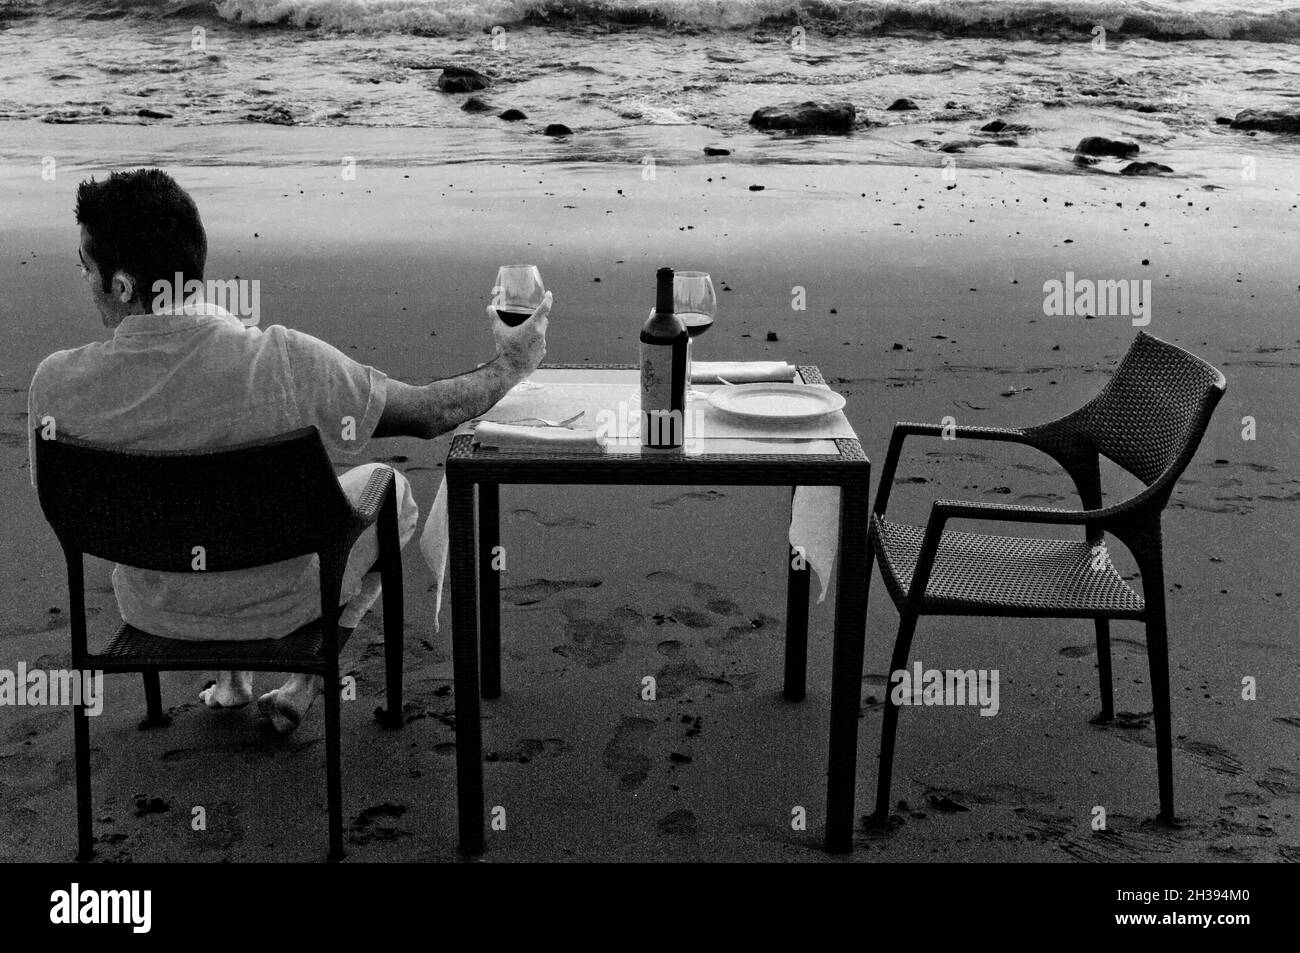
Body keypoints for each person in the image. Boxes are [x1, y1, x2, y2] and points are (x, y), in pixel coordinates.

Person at [29, 168, 548, 733]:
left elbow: (62, 508)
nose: (85, 280)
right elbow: (428, 415)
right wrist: (512, 364)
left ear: (123, 285)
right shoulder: (285, 363)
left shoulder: (56, 385)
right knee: (389, 488)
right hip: (282, 609)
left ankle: (231, 683)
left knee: (199, 503)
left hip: (155, 607)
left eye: (87, 268)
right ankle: (302, 684)